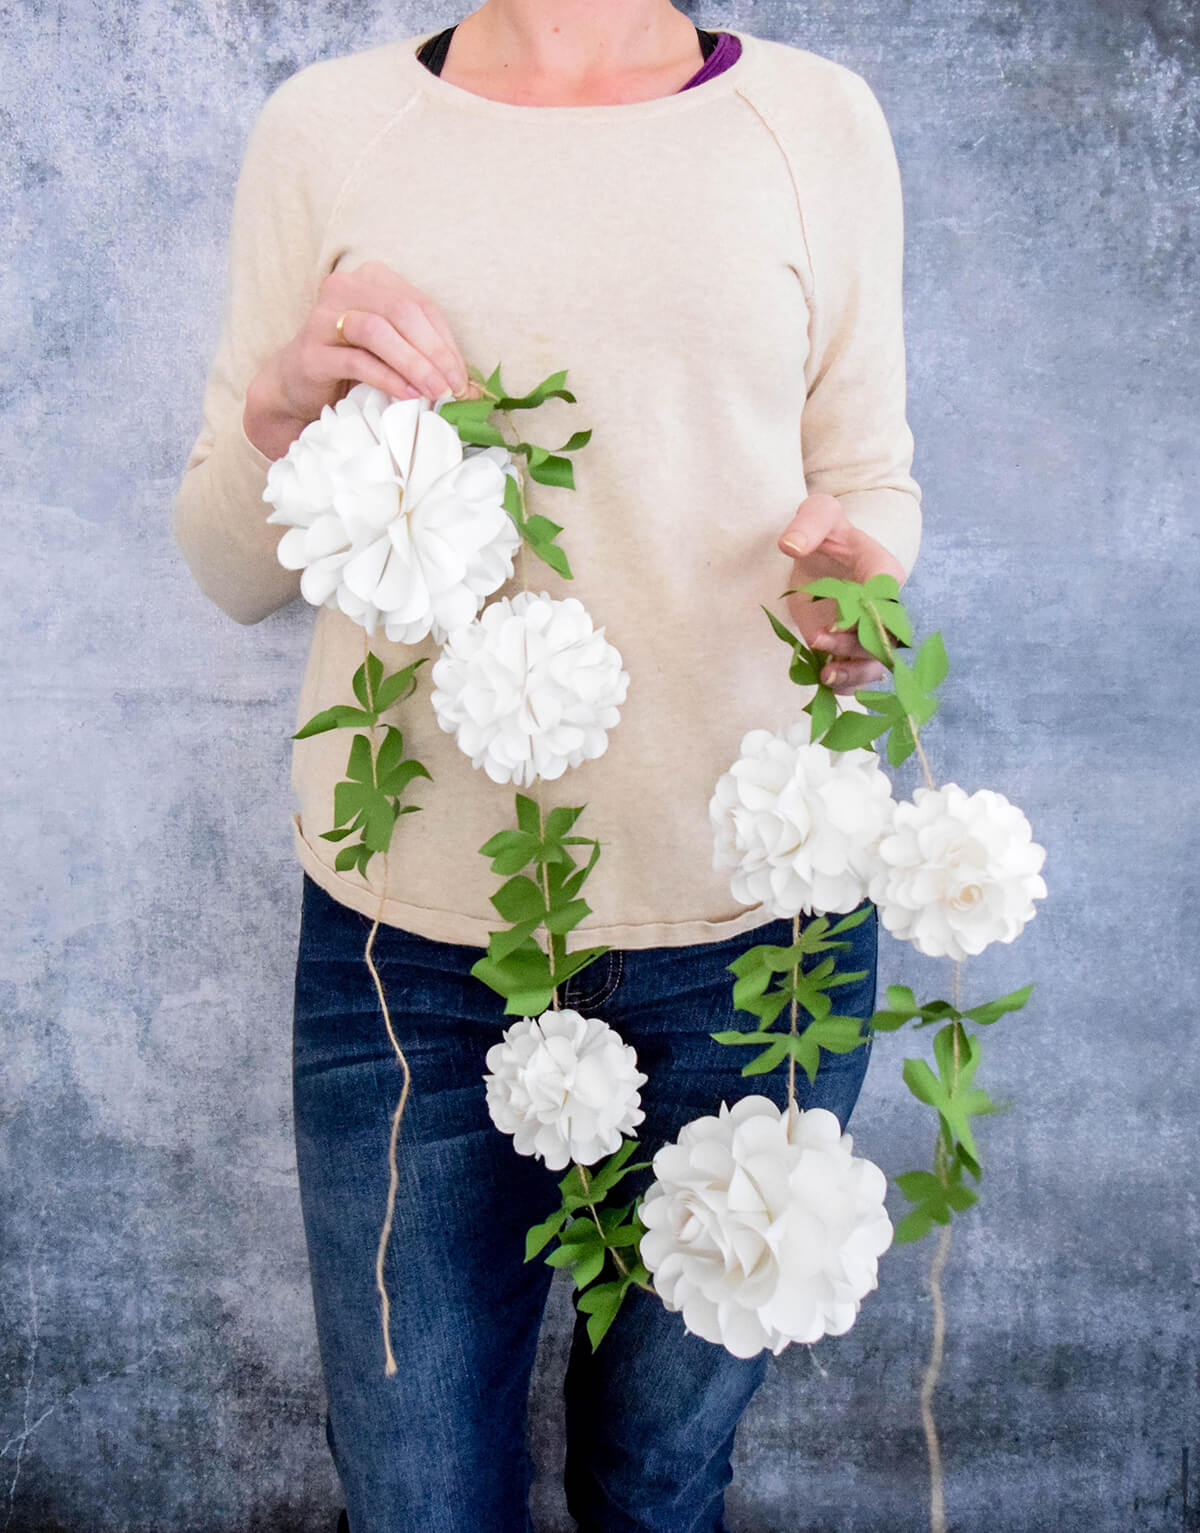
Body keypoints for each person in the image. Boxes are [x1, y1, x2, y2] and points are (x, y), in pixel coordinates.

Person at [171, 3, 923, 1529]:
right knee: (418, 1500)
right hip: (414, 969)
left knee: (659, 1485)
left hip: (757, 945)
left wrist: (862, 594)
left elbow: (867, 484)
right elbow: (232, 568)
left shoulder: (815, 123)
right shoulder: (330, 130)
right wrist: (275, 413)